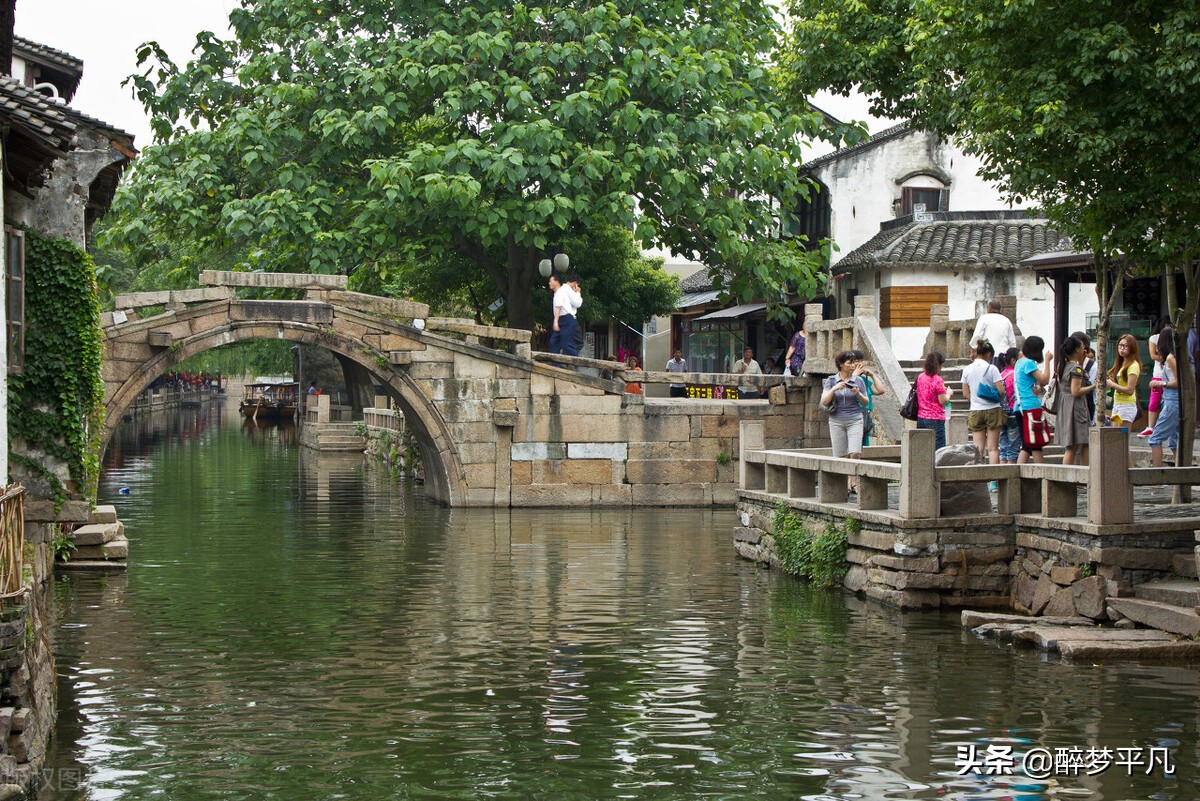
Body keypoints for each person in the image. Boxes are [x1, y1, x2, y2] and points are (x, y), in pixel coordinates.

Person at [820, 351, 869, 494]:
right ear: (841, 364)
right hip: (836, 420)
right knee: (841, 455)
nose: (853, 365)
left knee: (855, 453)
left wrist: (858, 393)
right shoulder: (831, 380)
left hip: (854, 419)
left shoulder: (858, 380)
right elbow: (824, 401)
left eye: (854, 362)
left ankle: (853, 481)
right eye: (849, 363)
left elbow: (865, 402)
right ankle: (844, 483)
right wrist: (835, 388)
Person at [961, 339, 1007, 464]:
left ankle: (979, 479)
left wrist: (976, 398)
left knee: (978, 448)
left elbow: (966, 394)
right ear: (988, 354)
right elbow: (1001, 391)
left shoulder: (967, 369)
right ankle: (993, 482)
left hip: (975, 410)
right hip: (993, 409)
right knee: (992, 448)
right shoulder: (992, 369)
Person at [1015, 335, 1053, 464]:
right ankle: (1041, 475)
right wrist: (1048, 361)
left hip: (1019, 406)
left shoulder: (1019, 362)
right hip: (1031, 406)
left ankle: (1017, 475)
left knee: (1027, 444)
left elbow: (1028, 382)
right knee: (1036, 444)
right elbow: (1045, 379)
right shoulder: (1029, 363)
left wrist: (1036, 386)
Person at [1057, 336, 1094, 465]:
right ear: (1078, 349)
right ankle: (1084, 476)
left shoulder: (1063, 366)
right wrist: (1094, 386)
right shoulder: (1076, 369)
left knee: (1071, 446)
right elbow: (1076, 391)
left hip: (1065, 407)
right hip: (1076, 407)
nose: (1085, 350)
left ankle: (1066, 480)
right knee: (1084, 443)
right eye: (1083, 347)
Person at [1148, 327, 1180, 467]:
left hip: (1172, 402)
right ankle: (1181, 473)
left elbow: (1178, 382)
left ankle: (1157, 473)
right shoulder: (1171, 357)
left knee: (1155, 439)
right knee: (1174, 442)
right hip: (1171, 400)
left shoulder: (1170, 358)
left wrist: (1161, 383)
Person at [916, 351, 952, 450]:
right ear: (938, 365)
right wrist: (948, 393)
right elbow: (943, 401)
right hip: (935, 419)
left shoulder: (921, 377)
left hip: (921, 418)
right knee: (938, 450)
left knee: (924, 449)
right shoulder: (938, 380)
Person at [1105, 334, 1142, 428]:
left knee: (1122, 436)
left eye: (1125, 346)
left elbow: (1130, 390)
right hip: (1117, 404)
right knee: (1115, 436)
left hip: (1127, 406)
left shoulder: (1133, 365)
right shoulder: (1121, 362)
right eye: (1120, 345)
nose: (1122, 348)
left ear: (1132, 348)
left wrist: (1112, 384)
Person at [1141, 316, 1169, 437]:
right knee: (1154, 401)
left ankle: (1163, 426)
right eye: (1167, 325)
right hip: (1158, 374)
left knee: (1168, 402)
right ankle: (1150, 426)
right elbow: (1153, 355)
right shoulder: (1155, 338)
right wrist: (1167, 358)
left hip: (1170, 374)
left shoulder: (1172, 338)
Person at [851, 350, 886, 446]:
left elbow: (880, 390)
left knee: (863, 446)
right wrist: (854, 376)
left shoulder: (864, 381)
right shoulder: (845, 380)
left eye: (861, 361)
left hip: (864, 418)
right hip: (851, 418)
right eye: (856, 361)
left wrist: (872, 375)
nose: (860, 364)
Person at [969, 299, 1016, 370]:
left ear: (989, 308)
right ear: (1000, 309)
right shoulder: (1006, 321)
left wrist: (973, 351)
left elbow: (977, 336)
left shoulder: (984, 318)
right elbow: (1012, 342)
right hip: (1003, 356)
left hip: (987, 355)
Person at [548, 273, 582, 357]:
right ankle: (563, 363)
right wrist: (578, 293)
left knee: (565, 343)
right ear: (575, 283)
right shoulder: (566, 289)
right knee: (572, 343)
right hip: (566, 319)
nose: (549, 283)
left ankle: (570, 362)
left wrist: (555, 321)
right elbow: (578, 303)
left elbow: (559, 307)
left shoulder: (563, 290)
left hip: (566, 319)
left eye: (550, 281)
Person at [998, 347, 1022, 464]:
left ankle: (1001, 477)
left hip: (1001, 413)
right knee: (1013, 446)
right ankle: (1011, 477)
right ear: (1013, 361)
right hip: (1013, 412)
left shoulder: (1001, 375)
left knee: (1003, 446)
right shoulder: (1016, 375)